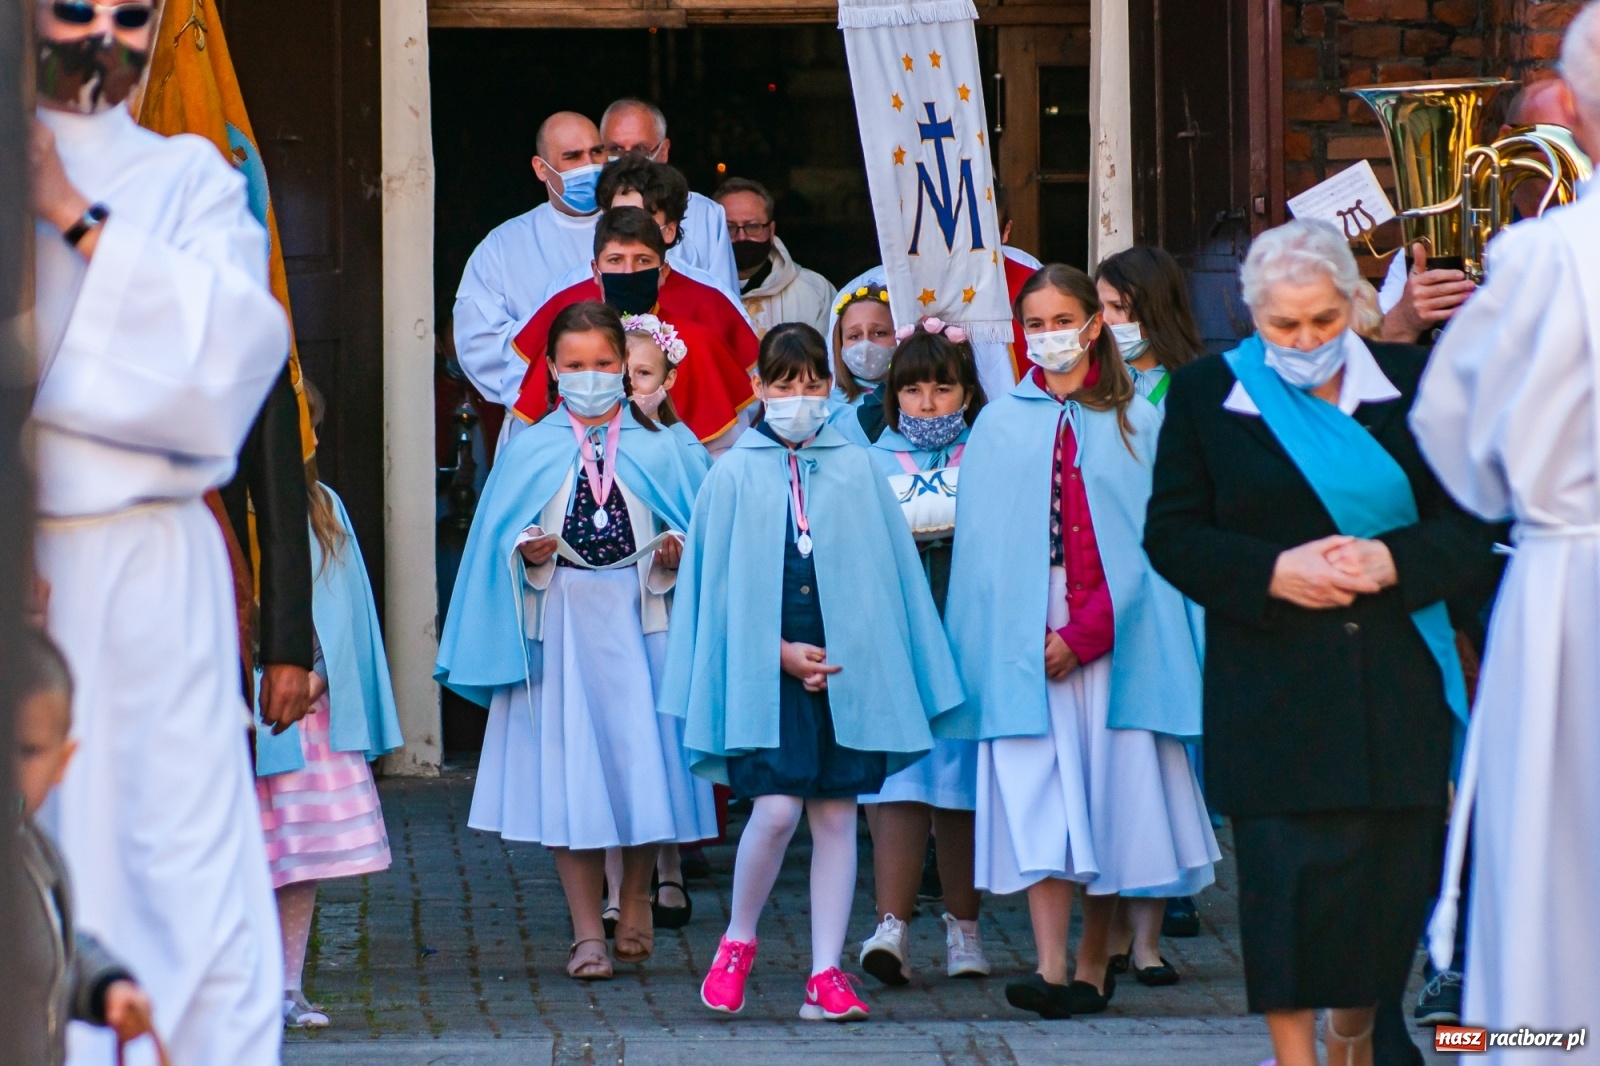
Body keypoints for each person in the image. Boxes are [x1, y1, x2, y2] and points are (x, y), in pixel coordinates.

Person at [1143, 219, 1496, 1066]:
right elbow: (1174, 535)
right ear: (1251, 314)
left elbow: (1474, 525)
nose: (1303, 341)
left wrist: (1391, 559)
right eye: (1282, 325)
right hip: (1272, 687)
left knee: (1390, 886)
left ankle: (1356, 1033)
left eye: (1322, 322)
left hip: (1398, 675)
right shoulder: (1203, 396)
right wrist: (1272, 570)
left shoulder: (1420, 384)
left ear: (1356, 304)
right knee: (1283, 890)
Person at [29, 1, 291, 1060]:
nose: (105, 32)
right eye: (75, 7)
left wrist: (78, 221)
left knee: (176, 850)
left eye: (131, 12)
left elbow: (229, 359)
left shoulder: (193, 180)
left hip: (150, 573)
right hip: (25, 563)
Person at [659, 323, 964, 1022]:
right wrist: (778, 653)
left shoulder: (855, 466)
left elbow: (883, 581)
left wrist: (847, 654)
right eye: (784, 383)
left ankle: (826, 972)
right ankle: (739, 938)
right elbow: (718, 589)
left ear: (829, 387)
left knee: (834, 815)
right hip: (765, 672)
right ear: (759, 388)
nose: (799, 396)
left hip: (843, 669)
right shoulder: (734, 471)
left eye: (811, 382)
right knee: (773, 810)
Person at [942, 264, 1217, 1020]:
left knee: (1107, 796)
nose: (1050, 335)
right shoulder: (1001, 422)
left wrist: (1089, 629)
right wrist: (1023, 628)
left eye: (1064, 319)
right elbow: (986, 553)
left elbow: (1152, 540)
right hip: (1024, 638)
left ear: (1093, 324)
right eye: (1035, 324)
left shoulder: (1140, 419)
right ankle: (1051, 963)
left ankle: (1095, 960)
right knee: (1040, 795)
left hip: (1117, 634)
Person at [1410, 13, 1600, 1060]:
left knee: (1556, 861)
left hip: (1570, 581)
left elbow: (1455, 443)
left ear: (1566, 113)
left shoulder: (1539, 257)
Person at [436, 302, 718, 982]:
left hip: (644, 618)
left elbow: (705, 533)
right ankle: (587, 931)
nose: (590, 376)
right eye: (575, 366)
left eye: (603, 364)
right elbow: (499, 539)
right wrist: (526, 551)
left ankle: (637, 894)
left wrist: (677, 553)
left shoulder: (662, 445)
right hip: (560, 624)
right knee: (572, 776)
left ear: (625, 367)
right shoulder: (529, 446)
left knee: (644, 761)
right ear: (553, 371)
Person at [254, 381, 405, 1029]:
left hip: (305, 715)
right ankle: (243, 986)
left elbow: (346, 610)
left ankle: (288, 987)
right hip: (244, 716)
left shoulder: (323, 507)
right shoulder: (220, 510)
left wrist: (321, 675)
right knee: (248, 855)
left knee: (297, 859)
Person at [857, 320, 991, 987]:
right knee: (899, 786)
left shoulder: (990, 455)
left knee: (961, 793)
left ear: (968, 390)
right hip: (900, 647)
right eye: (914, 389)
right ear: (894, 396)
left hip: (969, 644)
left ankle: (964, 929)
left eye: (944, 386)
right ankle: (892, 926)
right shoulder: (869, 461)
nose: (930, 402)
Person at [1093, 244, 1208, 959]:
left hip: (1175, 576)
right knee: (1126, 740)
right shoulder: (1090, 389)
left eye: (1118, 310)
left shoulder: (1191, 388)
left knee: (1178, 736)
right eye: (1102, 310)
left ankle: (1177, 888)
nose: (1109, 323)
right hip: (1111, 579)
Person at [511, 208, 759, 452]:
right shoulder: (570, 343)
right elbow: (531, 441)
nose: (628, 272)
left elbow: (724, 452)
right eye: (615, 260)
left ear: (663, 273)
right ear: (595, 272)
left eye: (643, 260)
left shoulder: (699, 342)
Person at [18, 629, 156, 1066]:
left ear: (63, 760)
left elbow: (55, 949)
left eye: (27, 751)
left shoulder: (37, 852)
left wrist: (105, 987)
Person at [1377, 79, 1578, 345]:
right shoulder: (1443, 237)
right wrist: (1405, 319)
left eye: (1580, 140)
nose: (1574, 156)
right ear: (1509, 138)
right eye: (1558, 139)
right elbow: (1370, 363)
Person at [454, 111, 607, 410]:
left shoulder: (637, 233)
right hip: (543, 417)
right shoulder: (503, 246)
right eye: (573, 157)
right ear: (541, 168)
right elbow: (478, 342)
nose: (589, 166)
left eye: (597, 152)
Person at [541, 156, 748, 315]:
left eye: (642, 217)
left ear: (669, 230)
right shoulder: (563, 292)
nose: (628, 227)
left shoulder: (712, 299)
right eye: (620, 215)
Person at [601, 97, 740, 296]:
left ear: (664, 151)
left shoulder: (705, 214)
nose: (628, 159)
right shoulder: (586, 211)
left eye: (640, 149)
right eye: (616, 149)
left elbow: (724, 304)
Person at [715, 177, 837, 337]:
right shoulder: (696, 290)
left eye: (752, 226)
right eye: (729, 227)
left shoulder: (815, 291)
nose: (741, 237)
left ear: (771, 229)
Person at [1094, 246, 1203, 406]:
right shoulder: (1088, 380)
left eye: (1118, 307)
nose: (1103, 320)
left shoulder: (1199, 385)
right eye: (1099, 307)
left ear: (1156, 310)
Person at [828, 282, 897, 444]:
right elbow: (856, 433)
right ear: (840, 344)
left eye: (879, 333)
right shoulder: (828, 406)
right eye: (854, 336)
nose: (866, 345)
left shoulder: (922, 395)